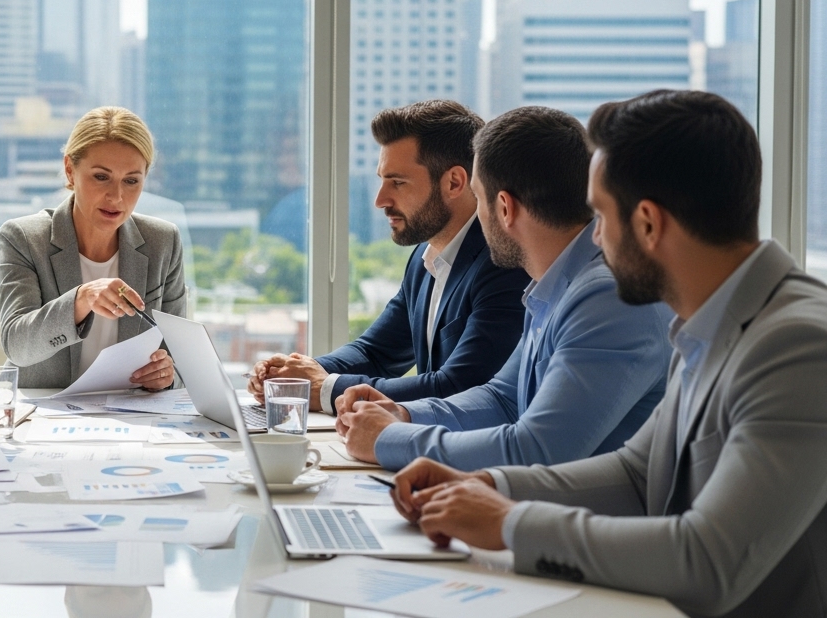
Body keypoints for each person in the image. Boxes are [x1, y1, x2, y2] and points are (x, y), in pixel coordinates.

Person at [391, 90, 827, 617]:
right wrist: (487, 484)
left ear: (647, 223)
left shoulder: (799, 345)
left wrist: (508, 522)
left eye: (599, 214)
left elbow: (709, 560)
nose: (593, 236)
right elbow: (637, 474)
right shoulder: (710, 322)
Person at [336, 106, 670, 470]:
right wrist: (401, 413)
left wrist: (389, 438)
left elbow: (535, 449)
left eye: (478, 198)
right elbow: (503, 399)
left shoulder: (608, 297)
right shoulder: (554, 286)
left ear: (505, 207)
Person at [249, 100, 528, 412]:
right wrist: (294, 373)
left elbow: (461, 385)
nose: (380, 200)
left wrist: (327, 388)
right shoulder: (426, 257)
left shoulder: (504, 263)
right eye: (382, 180)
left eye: (398, 182)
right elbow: (377, 352)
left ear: (454, 182)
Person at [0, 106, 185, 389]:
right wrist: (80, 300)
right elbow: (17, 346)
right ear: (70, 170)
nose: (116, 197)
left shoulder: (163, 242)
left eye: (131, 181)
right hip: (41, 416)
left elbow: (182, 359)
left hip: (129, 418)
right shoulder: (23, 238)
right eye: (101, 177)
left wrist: (166, 377)